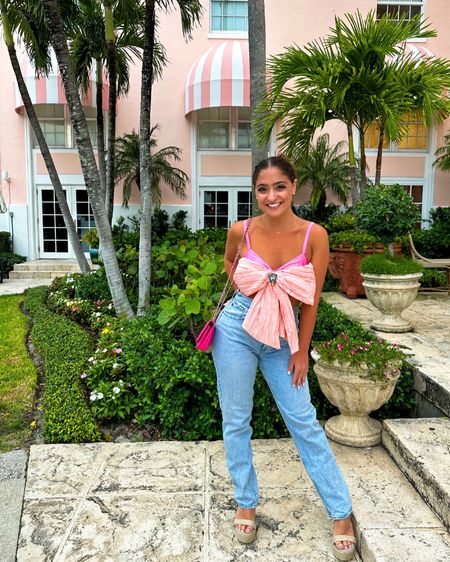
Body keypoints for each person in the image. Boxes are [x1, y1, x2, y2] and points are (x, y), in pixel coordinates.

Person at [212, 156, 356, 561]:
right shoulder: (241, 230)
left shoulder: (315, 235)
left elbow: (311, 299)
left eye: (278, 186)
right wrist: (252, 285)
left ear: (294, 187)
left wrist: (301, 351)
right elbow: (229, 263)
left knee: (303, 421)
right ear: (254, 192)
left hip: (283, 334)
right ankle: (245, 501)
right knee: (236, 418)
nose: (270, 195)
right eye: (262, 188)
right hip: (237, 328)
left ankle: (340, 511)